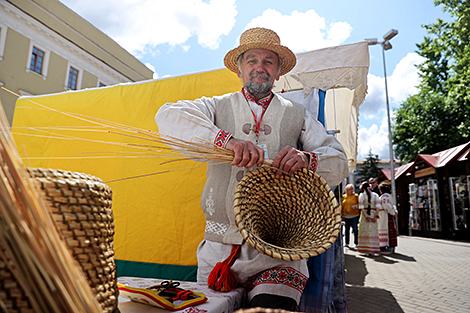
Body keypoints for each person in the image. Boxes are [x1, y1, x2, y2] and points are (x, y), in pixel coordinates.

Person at [155, 27, 349, 311]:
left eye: (269, 61)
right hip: (220, 252)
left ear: (278, 71)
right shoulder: (216, 107)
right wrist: (226, 141)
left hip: (280, 255)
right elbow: (168, 117)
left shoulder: (298, 114)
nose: (260, 67)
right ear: (239, 69)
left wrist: (307, 159)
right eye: (252, 60)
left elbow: (338, 160)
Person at [357, 181, 380, 256]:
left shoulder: (362, 195)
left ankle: (366, 249)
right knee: (373, 231)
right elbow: (378, 207)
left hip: (365, 214)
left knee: (365, 231)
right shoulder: (375, 195)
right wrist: (376, 216)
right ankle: (373, 249)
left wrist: (366, 216)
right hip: (373, 213)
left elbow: (361, 207)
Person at [377, 184, 398, 253]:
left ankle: (389, 247)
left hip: (385, 215)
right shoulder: (389, 196)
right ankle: (391, 246)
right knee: (390, 230)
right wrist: (394, 212)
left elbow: (386, 206)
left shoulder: (384, 197)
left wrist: (392, 212)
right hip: (388, 214)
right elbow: (392, 205)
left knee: (387, 230)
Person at [341, 184, 360, 249]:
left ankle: (356, 243)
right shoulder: (344, 197)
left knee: (355, 229)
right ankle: (347, 243)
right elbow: (342, 206)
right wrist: (341, 215)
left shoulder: (355, 196)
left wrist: (356, 206)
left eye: (352, 189)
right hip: (346, 215)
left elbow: (359, 203)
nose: (351, 190)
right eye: (350, 189)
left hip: (354, 215)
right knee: (346, 229)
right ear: (346, 190)